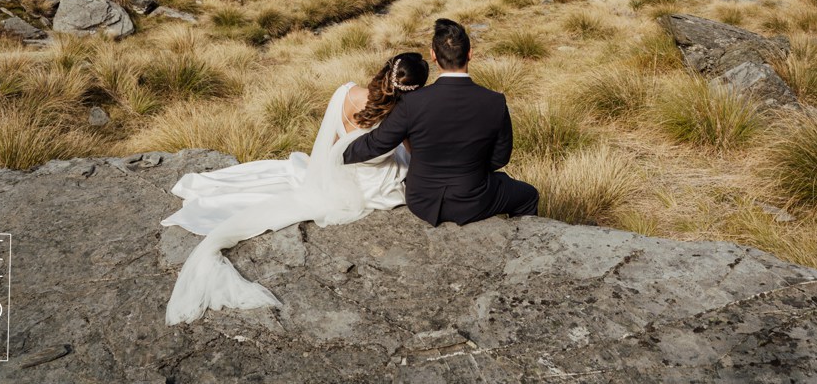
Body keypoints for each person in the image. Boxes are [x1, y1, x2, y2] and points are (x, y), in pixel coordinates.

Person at [163, 52, 430, 324]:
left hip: (335, 169)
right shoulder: (402, 116)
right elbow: (415, 154)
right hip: (373, 184)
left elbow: (331, 139)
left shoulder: (346, 93)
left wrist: (323, 172)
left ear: (385, 71)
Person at [343, 18, 538, 226]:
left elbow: (376, 144)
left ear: (434, 55)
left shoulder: (412, 102)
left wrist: (339, 155)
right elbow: (500, 158)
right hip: (474, 200)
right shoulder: (495, 102)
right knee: (528, 196)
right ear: (470, 54)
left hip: (421, 200)